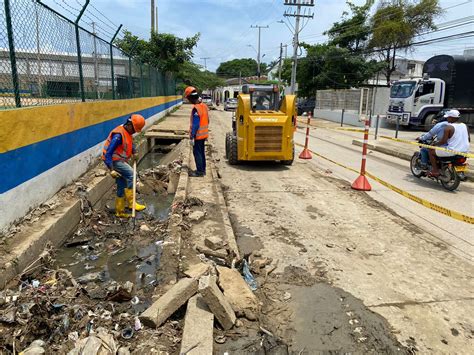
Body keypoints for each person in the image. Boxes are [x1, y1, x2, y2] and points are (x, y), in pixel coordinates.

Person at [102, 114, 147, 217]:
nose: (135, 132)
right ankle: (131, 204)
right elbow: (108, 154)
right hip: (114, 161)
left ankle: (120, 211)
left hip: (120, 160)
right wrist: (111, 170)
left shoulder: (127, 131)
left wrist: (134, 151)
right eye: (134, 129)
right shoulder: (118, 136)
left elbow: (130, 141)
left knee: (121, 183)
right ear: (129, 124)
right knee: (132, 175)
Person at [428, 109, 470, 177]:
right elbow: (468, 139)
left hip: (452, 151)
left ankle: (435, 171)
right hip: (464, 151)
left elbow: (443, 141)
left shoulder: (448, 127)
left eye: (448, 117)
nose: (447, 118)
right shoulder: (465, 126)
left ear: (452, 117)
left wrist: (434, 144)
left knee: (431, 151)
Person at [185, 86, 209, 177]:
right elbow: (208, 120)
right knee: (202, 152)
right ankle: (203, 170)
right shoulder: (204, 106)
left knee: (197, 152)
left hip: (198, 135)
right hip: (204, 134)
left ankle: (199, 172)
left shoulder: (196, 108)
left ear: (191, 98)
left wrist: (192, 136)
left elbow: (195, 124)